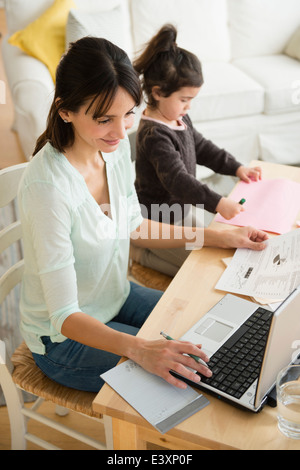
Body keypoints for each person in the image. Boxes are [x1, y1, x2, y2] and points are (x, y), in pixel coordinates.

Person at [18, 36, 268, 393]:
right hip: (63, 340)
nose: (121, 132)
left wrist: (219, 236)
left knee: (214, 330)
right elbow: (64, 317)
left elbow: (132, 225)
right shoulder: (47, 188)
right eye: (105, 119)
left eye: (129, 114)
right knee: (191, 375)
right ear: (65, 110)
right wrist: (140, 349)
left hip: (115, 296)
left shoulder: (112, 148)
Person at [133, 24, 262, 276]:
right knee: (199, 271)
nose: (188, 106)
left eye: (191, 99)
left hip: (182, 212)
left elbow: (201, 147)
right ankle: (140, 252)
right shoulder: (154, 135)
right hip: (159, 220)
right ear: (158, 93)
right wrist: (218, 202)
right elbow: (178, 181)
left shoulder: (178, 117)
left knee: (217, 250)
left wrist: (236, 167)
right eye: (184, 99)